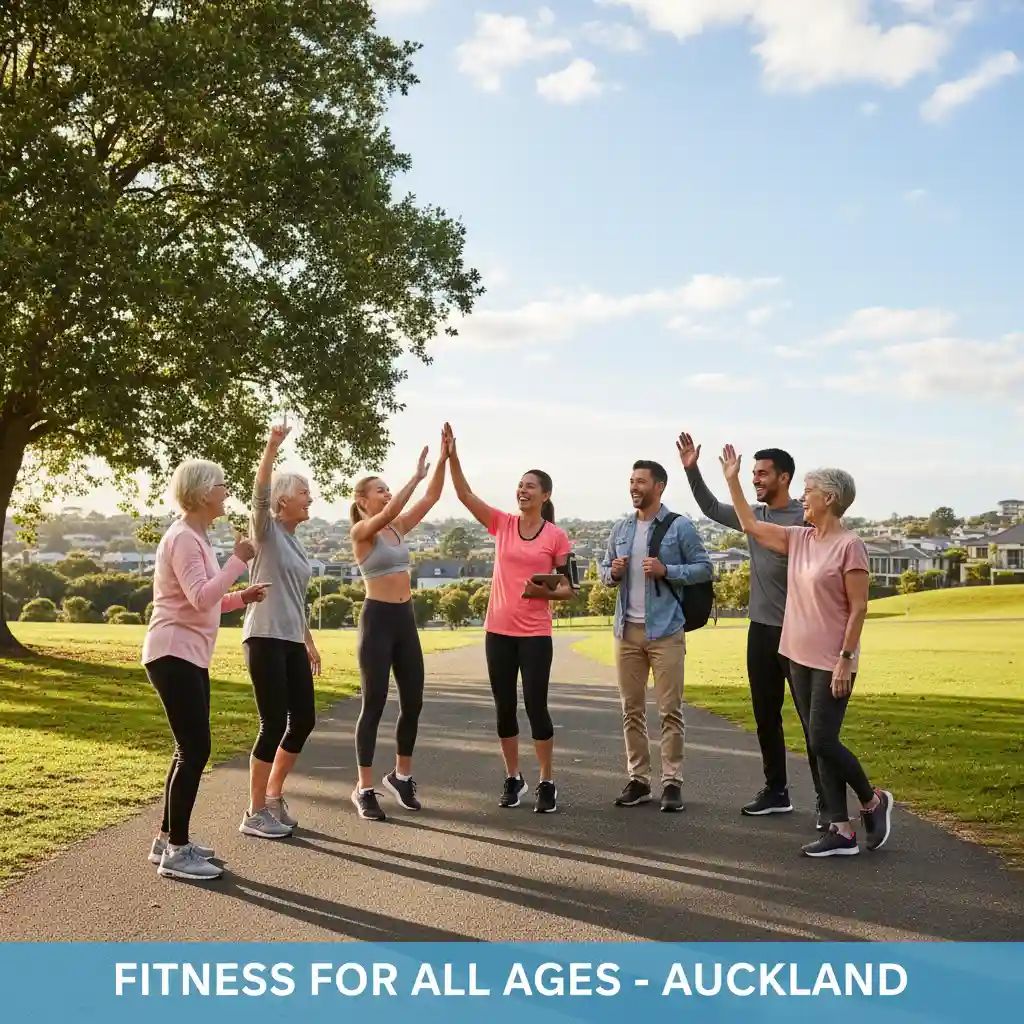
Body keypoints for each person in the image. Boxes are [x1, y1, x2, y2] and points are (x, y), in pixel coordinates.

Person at [718, 445, 894, 858]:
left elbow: (859, 607)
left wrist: (846, 659)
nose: (802, 498)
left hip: (832, 660)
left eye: (809, 491)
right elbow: (747, 521)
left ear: (829, 499)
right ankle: (841, 830)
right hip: (796, 654)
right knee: (817, 742)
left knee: (822, 740)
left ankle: (872, 801)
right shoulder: (798, 538)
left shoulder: (851, 546)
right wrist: (731, 478)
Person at [677, 432, 823, 823]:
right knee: (765, 716)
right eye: (753, 473)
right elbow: (709, 507)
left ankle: (829, 803)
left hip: (799, 632)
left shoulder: (805, 519)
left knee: (813, 723)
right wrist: (692, 470)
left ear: (785, 477)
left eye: (762, 473)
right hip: (761, 631)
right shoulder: (751, 515)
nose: (756, 479)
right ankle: (777, 791)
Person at [142, 459, 270, 881]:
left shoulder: (194, 537)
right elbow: (199, 596)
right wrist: (237, 561)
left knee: (188, 748)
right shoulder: (182, 538)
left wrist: (241, 597)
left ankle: (168, 839)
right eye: (221, 485)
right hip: (172, 652)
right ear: (200, 493)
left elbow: (209, 598)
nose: (227, 490)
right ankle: (177, 852)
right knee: (195, 748)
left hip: (188, 654)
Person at [444, 422, 574, 813]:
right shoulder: (502, 524)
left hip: (535, 634)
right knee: (504, 707)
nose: (522, 490)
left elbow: (569, 588)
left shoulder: (557, 536)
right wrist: (452, 456)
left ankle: (547, 780)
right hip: (497, 632)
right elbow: (465, 494)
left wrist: (541, 590)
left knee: (536, 705)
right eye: (520, 485)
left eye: (530, 486)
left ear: (545, 495)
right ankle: (514, 777)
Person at [600, 460, 714, 812]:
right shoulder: (620, 528)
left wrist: (669, 570)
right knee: (631, 710)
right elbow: (604, 573)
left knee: (670, 711)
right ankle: (638, 780)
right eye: (631, 481)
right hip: (626, 633)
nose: (634, 487)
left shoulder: (680, 527)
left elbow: (704, 568)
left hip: (666, 631)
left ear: (659, 487)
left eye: (641, 482)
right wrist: (613, 572)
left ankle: (672, 782)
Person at [349, 436, 448, 821]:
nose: (387, 494)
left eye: (388, 489)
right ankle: (365, 787)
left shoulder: (397, 528)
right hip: (377, 621)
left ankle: (402, 776)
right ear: (363, 501)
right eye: (380, 490)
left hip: (405, 621)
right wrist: (414, 477)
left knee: (414, 702)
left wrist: (441, 460)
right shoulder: (363, 534)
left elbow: (432, 497)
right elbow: (393, 510)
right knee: (373, 704)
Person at [238, 421, 320, 840]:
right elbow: (259, 492)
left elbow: (294, 597)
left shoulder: (296, 542)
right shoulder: (266, 531)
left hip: (290, 640)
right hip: (264, 637)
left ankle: (272, 796)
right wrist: (271, 446)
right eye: (304, 491)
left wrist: (308, 642)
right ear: (283, 501)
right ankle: (254, 812)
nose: (311, 498)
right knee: (273, 722)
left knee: (302, 719)